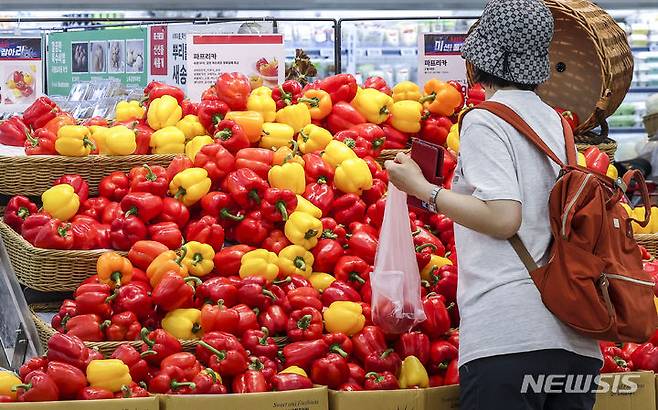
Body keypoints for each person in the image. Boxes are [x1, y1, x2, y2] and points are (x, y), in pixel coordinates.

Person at [385, 1, 602, 409]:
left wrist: (423, 189)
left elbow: (504, 217)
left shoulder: (487, 119)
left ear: (481, 59)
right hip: (575, 340)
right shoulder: (556, 122)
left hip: (511, 337)